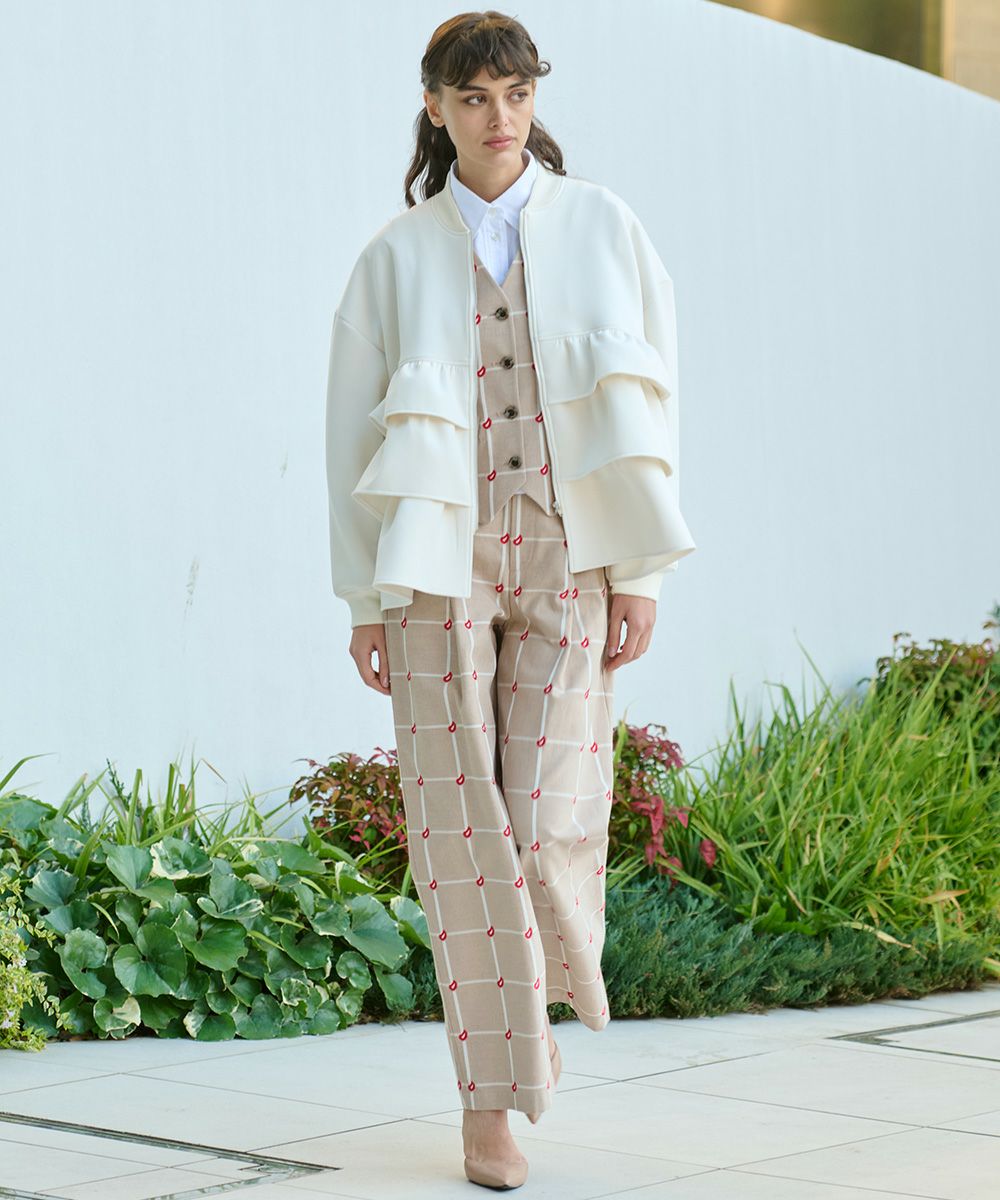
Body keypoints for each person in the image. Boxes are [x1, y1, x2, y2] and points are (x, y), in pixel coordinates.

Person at [325, 11, 697, 1190]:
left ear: (536, 97)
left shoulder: (604, 227)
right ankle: (490, 1107)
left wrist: (638, 571)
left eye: (517, 93)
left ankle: (534, 1009)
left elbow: (659, 396)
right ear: (435, 107)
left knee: (541, 822)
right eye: (475, 97)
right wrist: (364, 599)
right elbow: (347, 440)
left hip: (571, 553)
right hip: (435, 564)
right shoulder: (394, 256)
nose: (500, 118)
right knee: (459, 832)